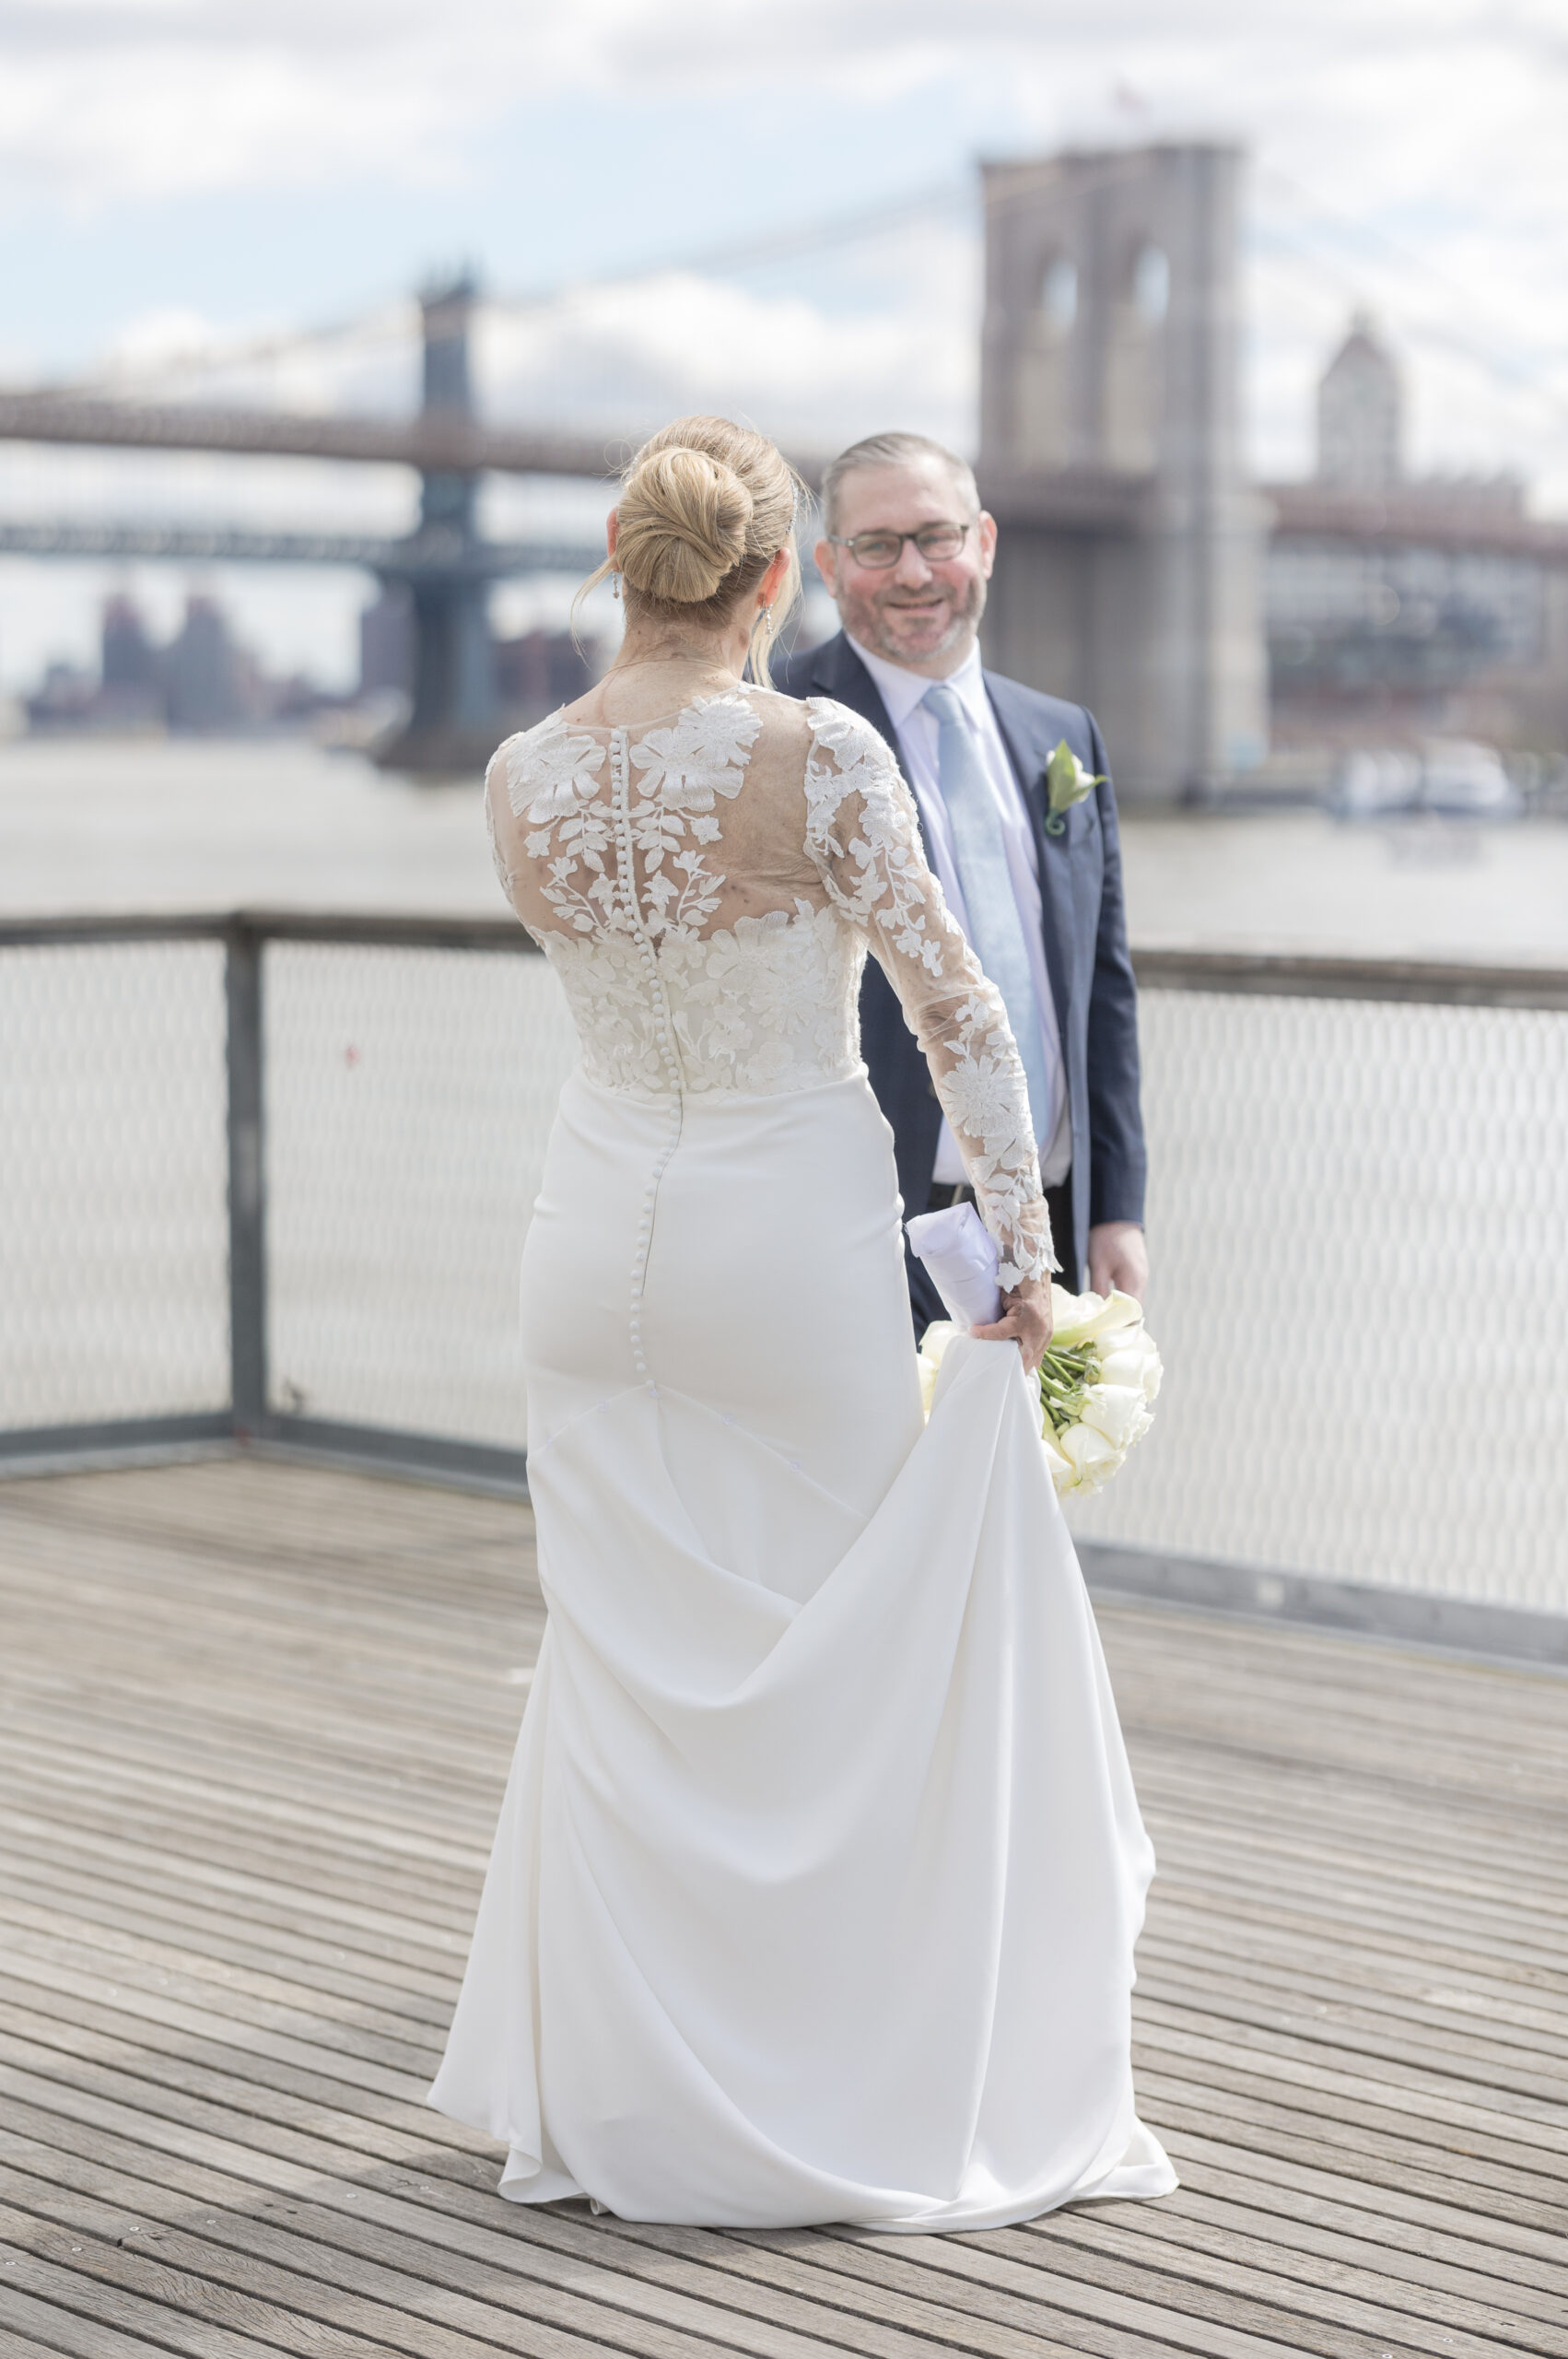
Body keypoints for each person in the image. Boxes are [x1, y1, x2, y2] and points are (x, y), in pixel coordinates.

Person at [427, 414, 1175, 2230]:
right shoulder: (818, 746)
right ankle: (815, 2075)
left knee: (625, 1649)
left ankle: (635, 2091)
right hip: (780, 1237)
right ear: (779, 578)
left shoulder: (520, 772)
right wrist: (1021, 1260)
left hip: (590, 1238)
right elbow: (964, 1017)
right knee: (835, 1654)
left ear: (622, 560)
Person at [776, 431, 1147, 1335]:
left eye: (937, 538)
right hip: (857, 1222)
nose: (913, 572)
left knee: (1027, 1480)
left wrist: (1116, 1204)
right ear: (828, 564)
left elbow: (1103, 985)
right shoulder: (777, 727)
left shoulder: (1064, 735)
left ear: (984, 542)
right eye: (876, 545)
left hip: (1051, 1222)